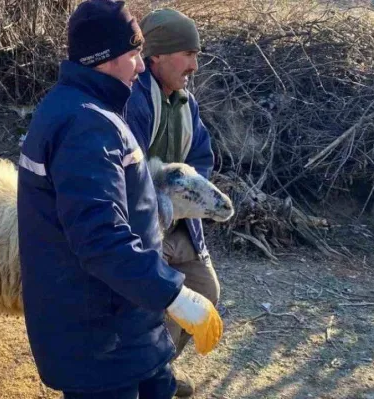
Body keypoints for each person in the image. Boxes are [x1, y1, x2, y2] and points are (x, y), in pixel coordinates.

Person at [17, 1, 223, 398]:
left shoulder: (94, 109)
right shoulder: (84, 126)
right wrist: (173, 293)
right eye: (134, 54)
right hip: (96, 337)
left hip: (124, 323)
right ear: (105, 58)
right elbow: (99, 238)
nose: (142, 66)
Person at [125, 8, 219, 397]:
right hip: (141, 231)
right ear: (157, 56)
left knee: (206, 293)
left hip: (182, 229)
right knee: (147, 307)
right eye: (188, 54)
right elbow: (127, 172)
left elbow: (202, 160)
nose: (194, 65)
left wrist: (182, 198)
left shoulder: (187, 104)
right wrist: (159, 202)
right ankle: (142, 378)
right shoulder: (133, 100)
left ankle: (157, 368)